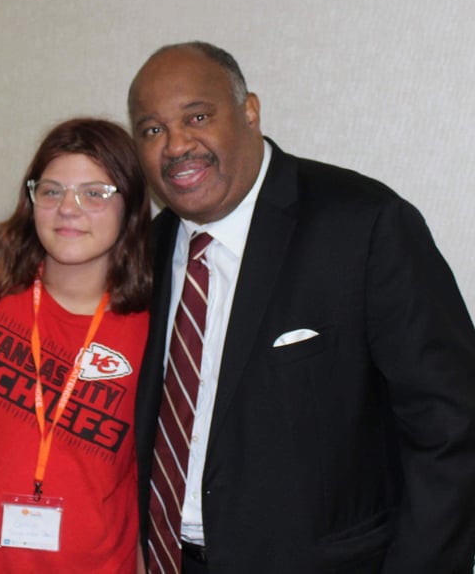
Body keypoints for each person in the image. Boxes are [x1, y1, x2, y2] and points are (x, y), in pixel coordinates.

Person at [128, 41, 475, 574]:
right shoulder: (145, 251)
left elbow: (452, 425)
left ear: (250, 111)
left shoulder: (363, 225)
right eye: (152, 130)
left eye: (197, 116)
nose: (176, 145)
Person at [0, 117, 151, 574]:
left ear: (131, 207)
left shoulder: (154, 329)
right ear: (32, 200)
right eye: (51, 190)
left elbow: (143, 481)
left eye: (94, 193)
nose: (68, 208)